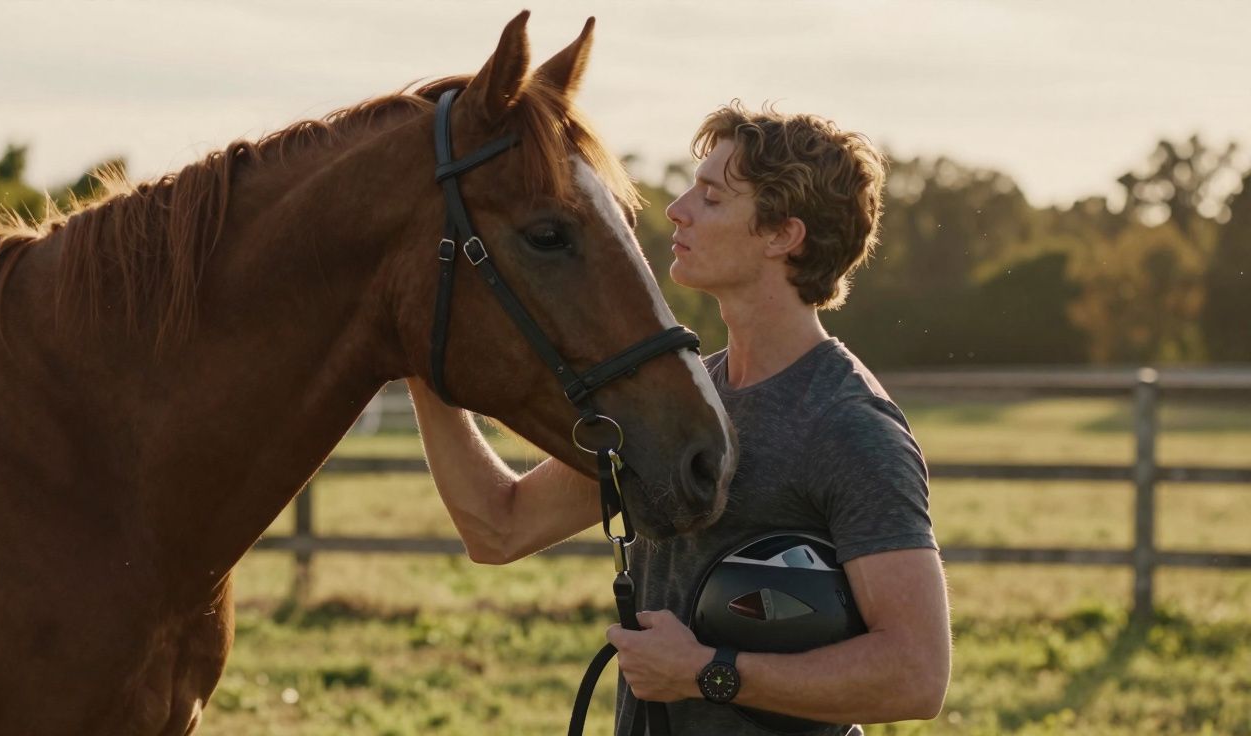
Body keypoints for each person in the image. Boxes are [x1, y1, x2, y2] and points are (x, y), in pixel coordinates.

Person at [408, 101, 951, 735]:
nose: (678, 209)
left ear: (782, 235)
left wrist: (703, 673)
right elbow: (498, 529)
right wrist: (423, 360)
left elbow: (916, 674)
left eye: (714, 198)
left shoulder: (848, 425)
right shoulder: (678, 406)